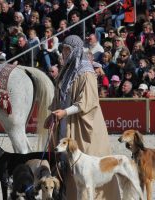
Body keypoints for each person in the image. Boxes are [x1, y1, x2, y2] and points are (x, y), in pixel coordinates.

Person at [44, 35, 120, 199]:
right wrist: (53, 113)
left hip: (83, 126)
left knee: (86, 166)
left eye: (66, 50)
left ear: (74, 50)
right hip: (65, 123)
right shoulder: (66, 71)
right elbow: (60, 97)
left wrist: (64, 112)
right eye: (63, 49)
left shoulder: (86, 73)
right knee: (65, 164)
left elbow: (87, 101)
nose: (63, 53)